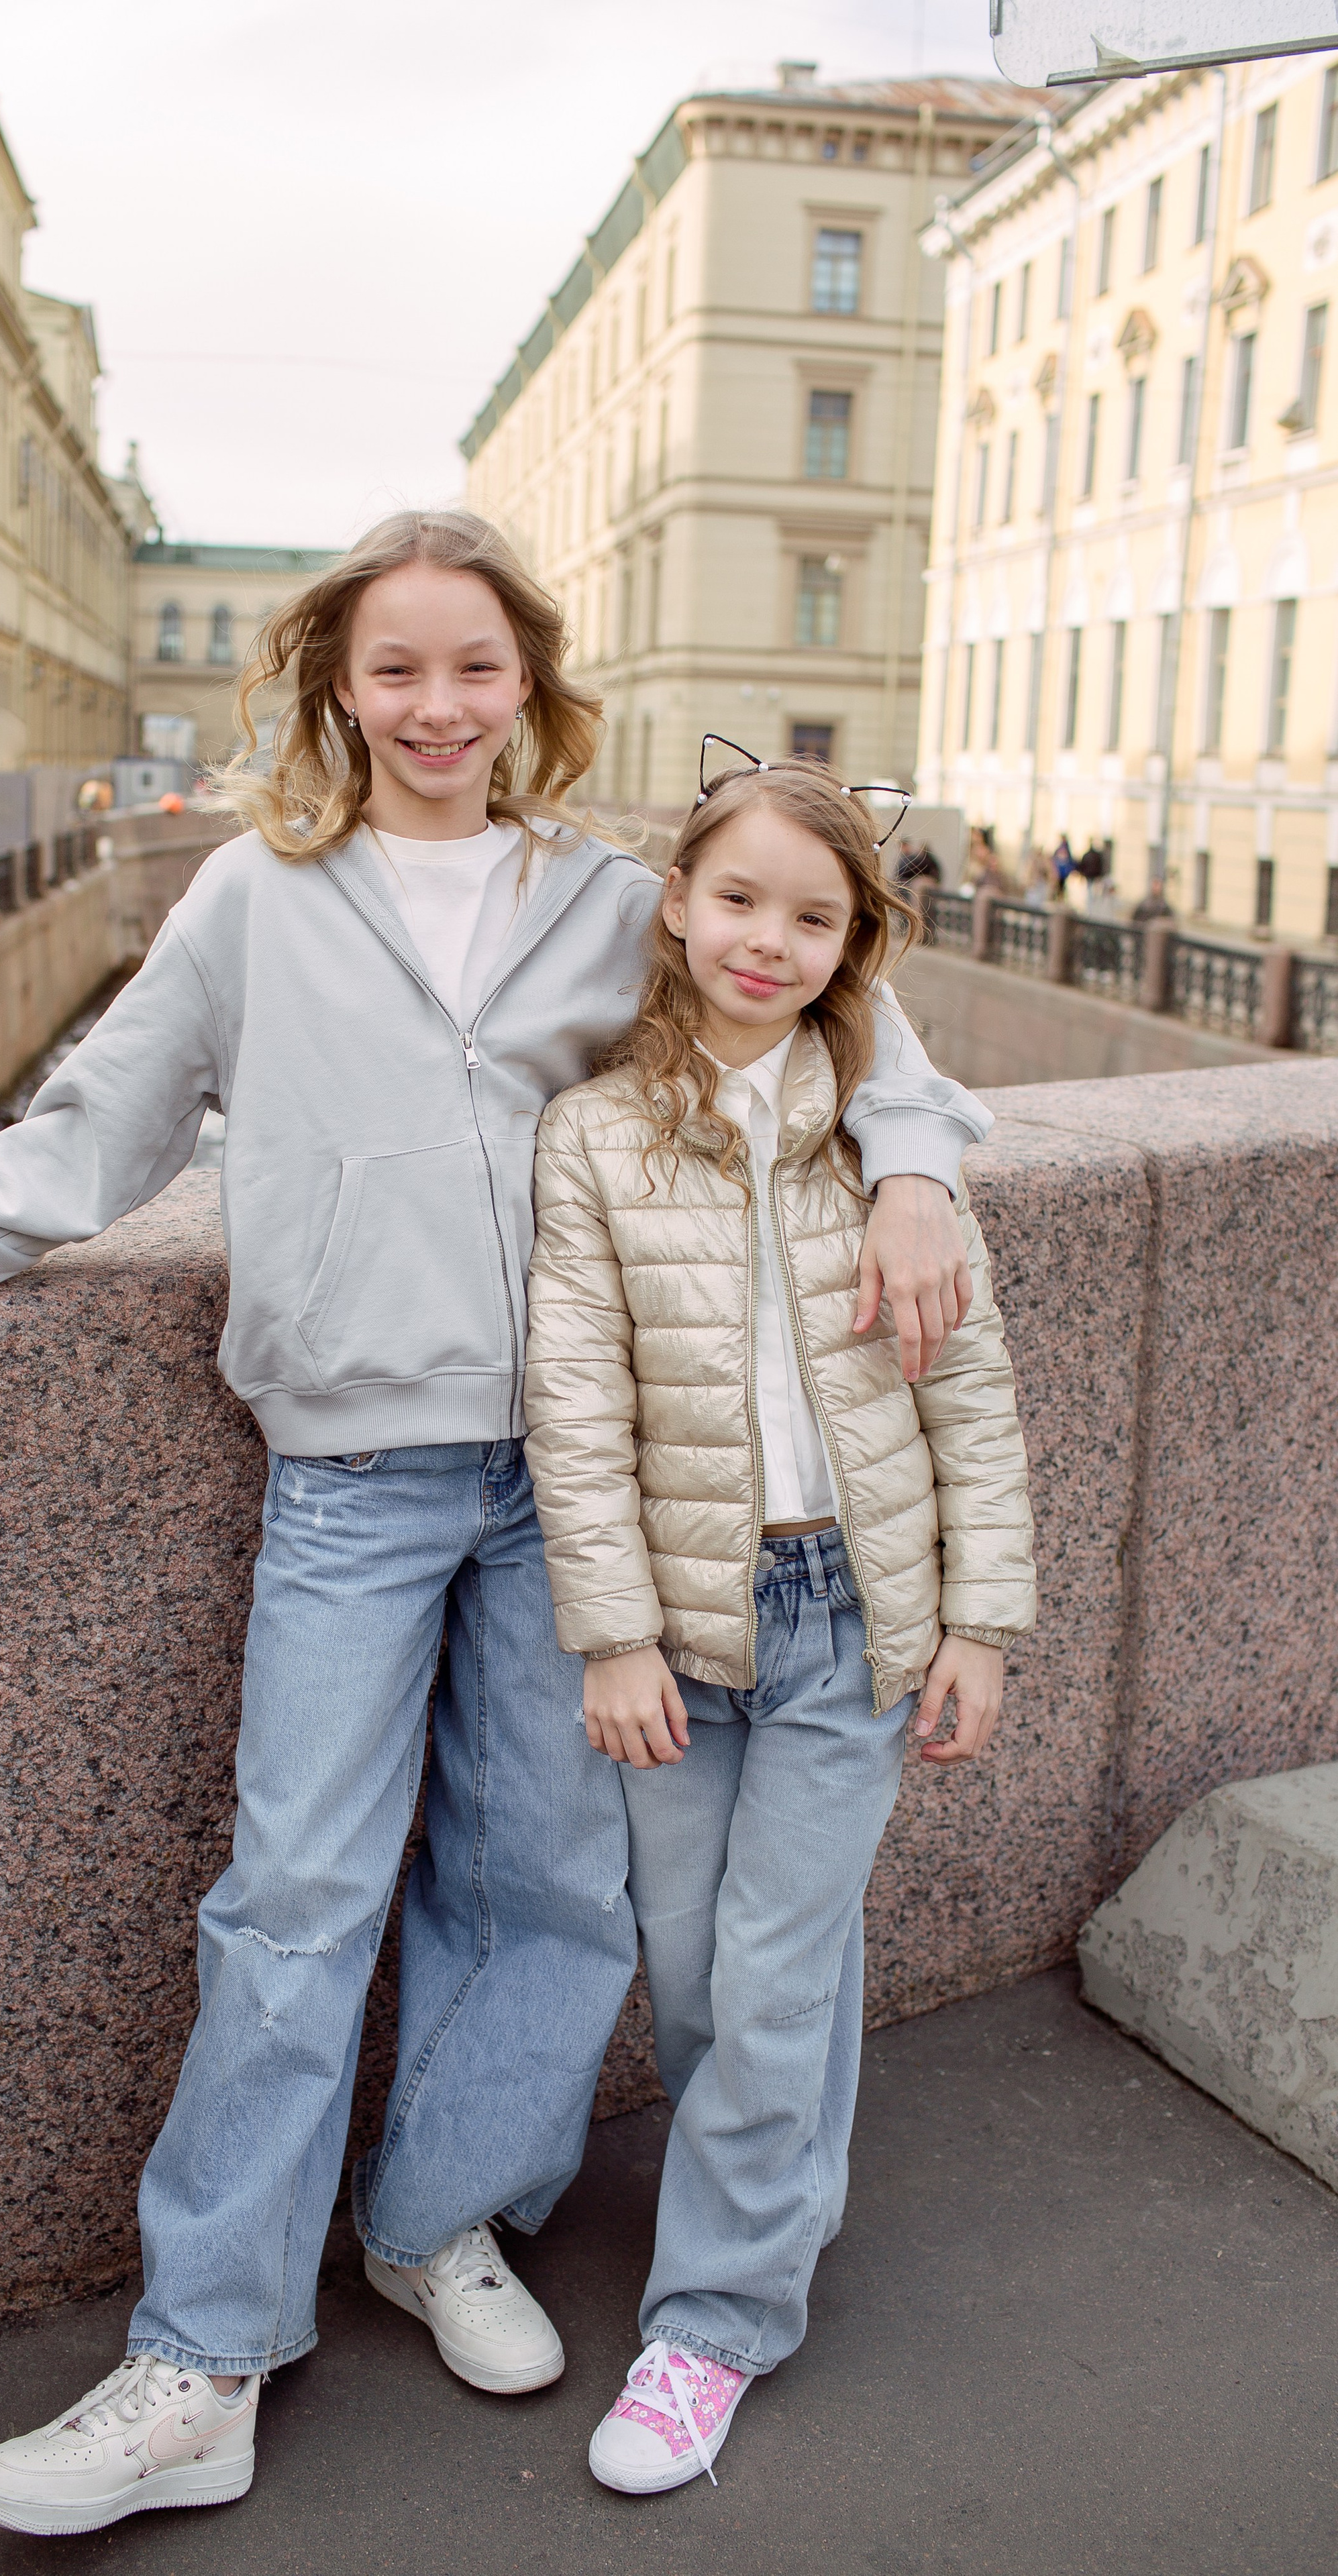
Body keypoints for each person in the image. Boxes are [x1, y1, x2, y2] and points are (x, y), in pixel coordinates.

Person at [0, 512, 990, 2539]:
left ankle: (436, 2217)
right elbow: (98, 1120)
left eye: (473, 665)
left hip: (587, 1489)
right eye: (392, 668)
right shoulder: (254, 896)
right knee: (294, 1891)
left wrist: (915, 1170)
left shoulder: (608, 896)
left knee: (548, 1882)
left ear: (530, 686)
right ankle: (199, 2353)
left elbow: (849, 1014)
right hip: (357, 1473)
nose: (434, 705)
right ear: (335, 686)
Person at [523, 756, 1035, 2496]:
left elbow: (973, 1402)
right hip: (679, 1626)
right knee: (703, 1973)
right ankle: (781, 2197)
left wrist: (983, 1625)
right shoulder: (593, 1136)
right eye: (738, 898)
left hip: (852, 1625)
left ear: (857, 947)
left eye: (815, 916)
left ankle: (715, 2323)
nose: (770, 938)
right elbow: (574, 1411)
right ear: (675, 904)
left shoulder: (899, 1152)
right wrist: (610, 1636)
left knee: (772, 1962)